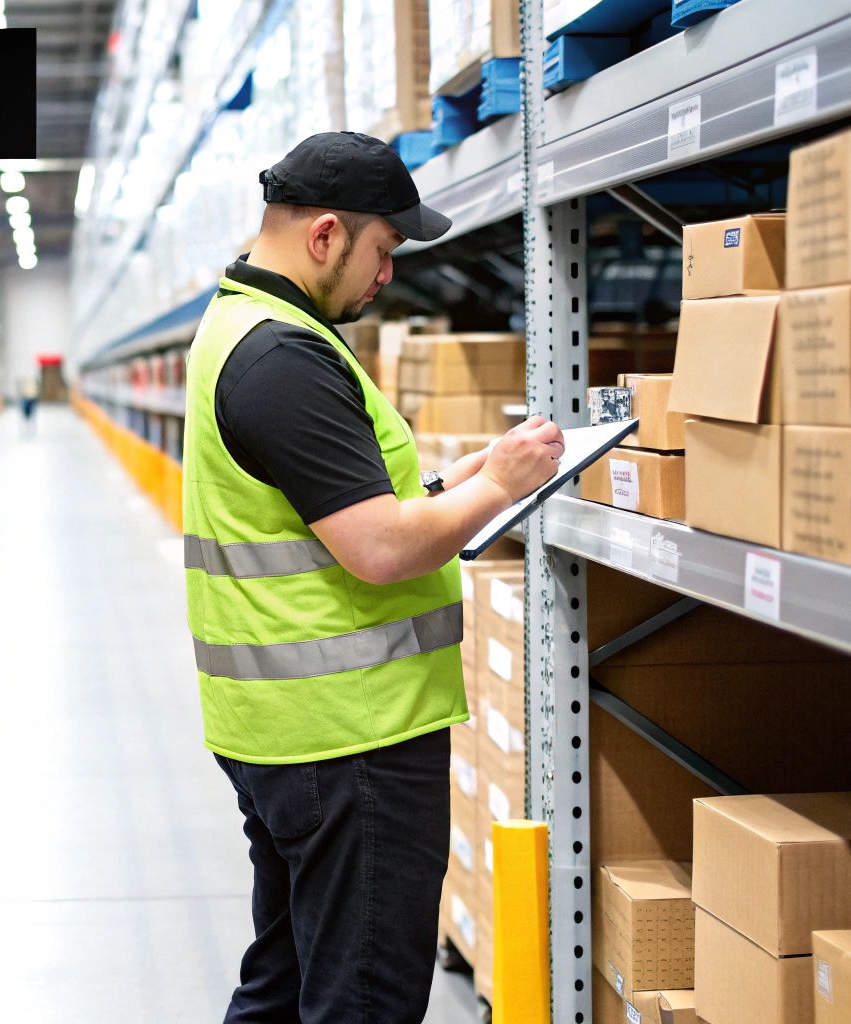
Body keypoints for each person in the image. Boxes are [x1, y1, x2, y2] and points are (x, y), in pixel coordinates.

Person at [181, 132, 564, 1023]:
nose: (388, 275)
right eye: (383, 250)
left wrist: (460, 480)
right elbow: (382, 549)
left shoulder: (241, 326)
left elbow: (329, 509)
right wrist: (502, 488)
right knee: (364, 998)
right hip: (349, 740)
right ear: (325, 235)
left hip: (287, 733)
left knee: (284, 984)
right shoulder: (283, 358)